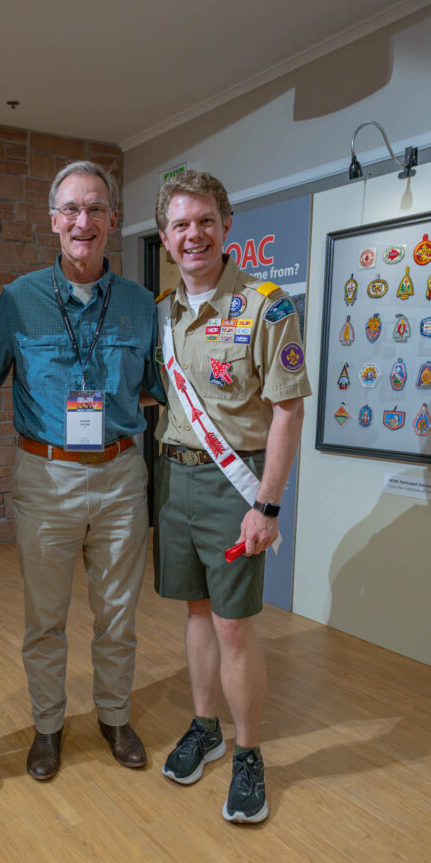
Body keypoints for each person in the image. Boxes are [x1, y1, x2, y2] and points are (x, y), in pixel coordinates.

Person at [0, 160, 164, 781]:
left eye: (96, 210)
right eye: (71, 210)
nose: (83, 222)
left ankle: (113, 716)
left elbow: (160, 388)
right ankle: (48, 727)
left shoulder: (141, 305)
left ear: (112, 220)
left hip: (120, 479)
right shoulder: (20, 300)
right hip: (44, 480)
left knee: (118, 615)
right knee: (45, 618)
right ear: (53, 220)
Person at [153, 170, 311, 823]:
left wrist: (267, 503)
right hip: (173, 480)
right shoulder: (162, 311)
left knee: (235, 629)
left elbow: (288, 411)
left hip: (234, 484)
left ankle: (249, 755)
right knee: (195, 615)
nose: (193, 235)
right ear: (165, 237)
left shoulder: (267, 305)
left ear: (226, 227)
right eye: (181, 224)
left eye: (205, 221)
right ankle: (205, 726)